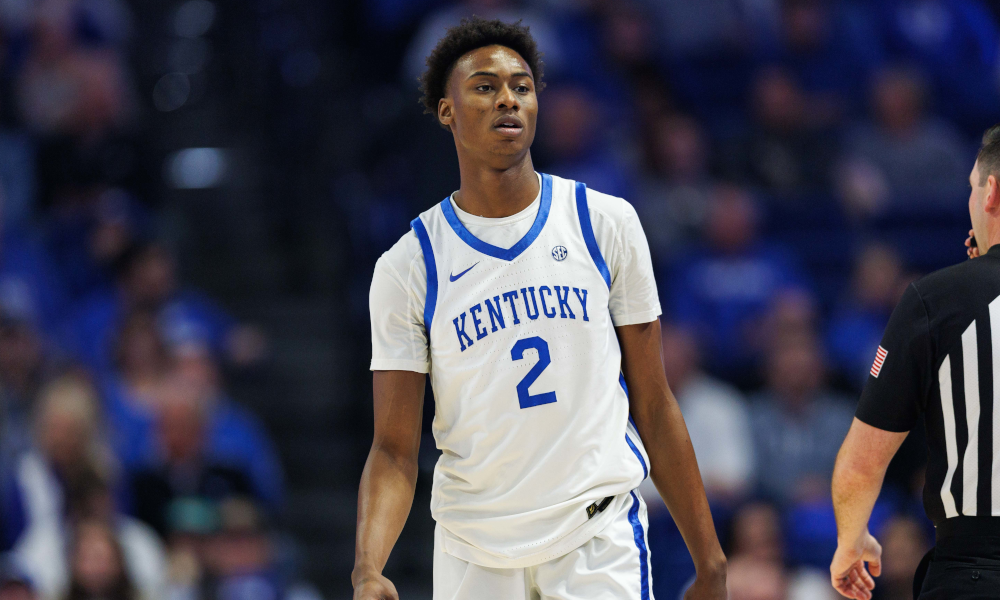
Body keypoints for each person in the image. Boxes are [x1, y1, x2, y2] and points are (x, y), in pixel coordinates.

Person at [355, 17, 726, 600]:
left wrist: (710, 560)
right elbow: (394, 450)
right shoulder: (408, 266)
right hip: (473, 550)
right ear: (446, 111)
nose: (508, 98)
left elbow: (654, 404)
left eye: (522, 86)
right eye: (484, 86)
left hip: (596, 536)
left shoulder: (604, 223)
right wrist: (368, 568)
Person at [830, 123, 1000, 599]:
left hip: (976, 572)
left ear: (991, 193)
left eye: (971, 188)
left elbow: (863, 463)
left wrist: (851, 539)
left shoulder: (935, 299)